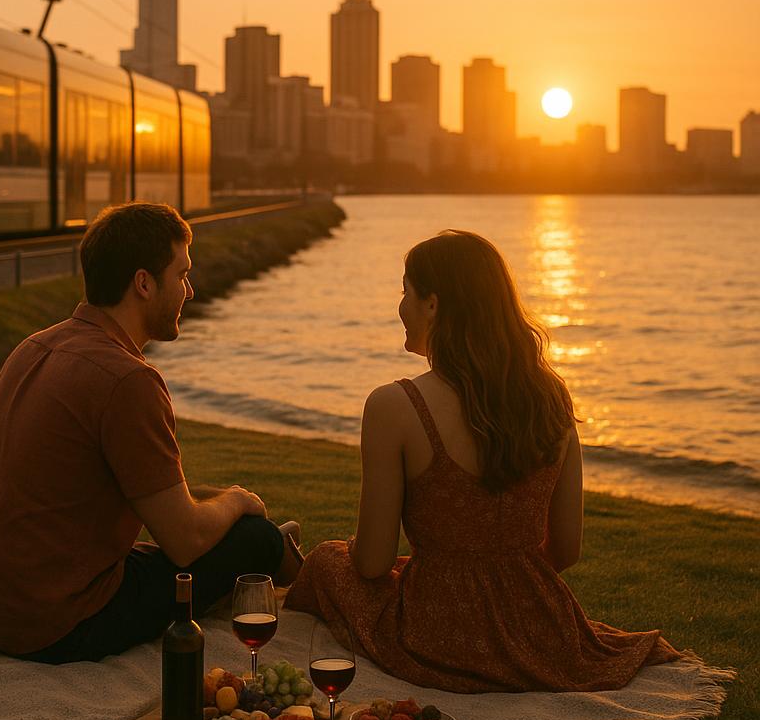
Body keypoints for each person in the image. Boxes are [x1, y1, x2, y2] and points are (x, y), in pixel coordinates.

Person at [284, 229, 681, 692]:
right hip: (540, 627)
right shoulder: (552, 398)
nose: (401, 307)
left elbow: (372, 564)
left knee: (327, 559)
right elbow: (566, 550)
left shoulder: (395, 405)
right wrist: (502, 589)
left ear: (433, 304)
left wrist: (443, 575)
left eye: (405, 292)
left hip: (435, 632)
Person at [0, 201, 301, 663]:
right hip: (61, 624)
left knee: (216, 524)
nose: (190, 290)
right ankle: (289, 563)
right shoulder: (127, 379)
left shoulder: (33, 348)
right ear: (144, 283)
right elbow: (183, 541)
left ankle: (276, 549)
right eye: (182, 275)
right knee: (256, 537)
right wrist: (239, 501)